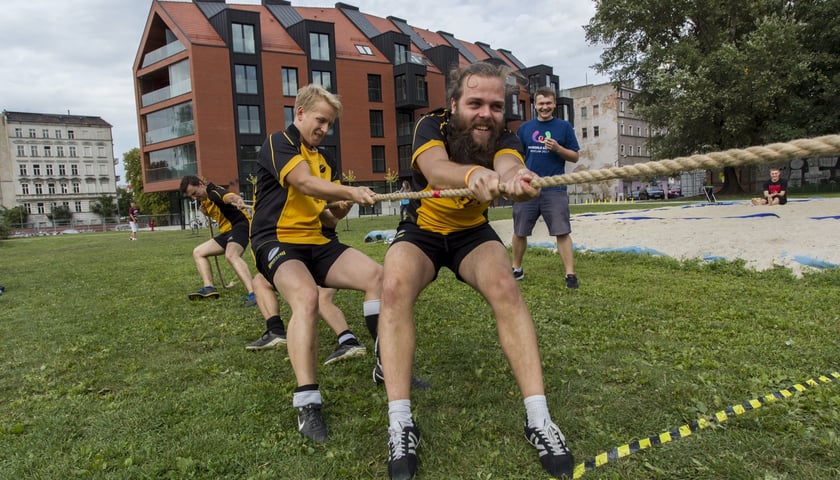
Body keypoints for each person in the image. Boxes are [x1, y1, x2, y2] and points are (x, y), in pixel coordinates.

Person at [377, 63, 574, 480]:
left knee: (507, 287)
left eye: (496, 105)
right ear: (454, 105)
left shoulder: (506, 138)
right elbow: (433, 167)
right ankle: (400, 423)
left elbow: (507, 165)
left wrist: (515, 175)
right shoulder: (430, 125)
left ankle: (539, 418)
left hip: (471, 234)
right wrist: (472, 174)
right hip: (424, 228)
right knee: (392, 286)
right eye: (475, 103)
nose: (486, 113)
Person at [250, 84, 386, 443]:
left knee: (378, 276)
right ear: (300, 114)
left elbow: (327, 219)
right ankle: (307, 403)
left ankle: (386, 364)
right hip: (275, 241)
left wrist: (341, 208)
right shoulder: (277, 142)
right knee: (307, 298)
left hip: (317, 241)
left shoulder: (325, 159)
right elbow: (304, 183)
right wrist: (349, 191)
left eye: (329, 124)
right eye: (320, 120)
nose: (324, 129)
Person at [246, 211, 368, 366]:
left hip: (324, 259)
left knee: (319, 298)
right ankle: (275, 331)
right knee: (260, 281)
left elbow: (333, 219)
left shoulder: (313, 198)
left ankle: (349, 341)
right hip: (297, 258)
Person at [510, 86, 580, 289]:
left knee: (562, 231)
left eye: (548, 103)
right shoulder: (525, 128)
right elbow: (516, 158)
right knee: (520, 231)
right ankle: (516, 268)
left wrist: (558, 148)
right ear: (534, 105)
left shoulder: (564, 127)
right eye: (541, 103)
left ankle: (570, 274)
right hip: (528, 188)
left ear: (554, 104)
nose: (545, 107)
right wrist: (521, 174)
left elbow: (574, 156)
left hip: (555, 188)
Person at [180, 176, 257, 306]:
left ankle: (254, 293)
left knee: (231, 255)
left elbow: (229, 197)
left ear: (200, 184)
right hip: (226, 233)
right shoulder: (205, 200)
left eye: (194, 193)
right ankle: (209, 287)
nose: (194, 198)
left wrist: (237, 200)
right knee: (198, 252)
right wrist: (205, 213)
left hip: (240, 227)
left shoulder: (215, 192)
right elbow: (219, 210)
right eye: (191, 196)